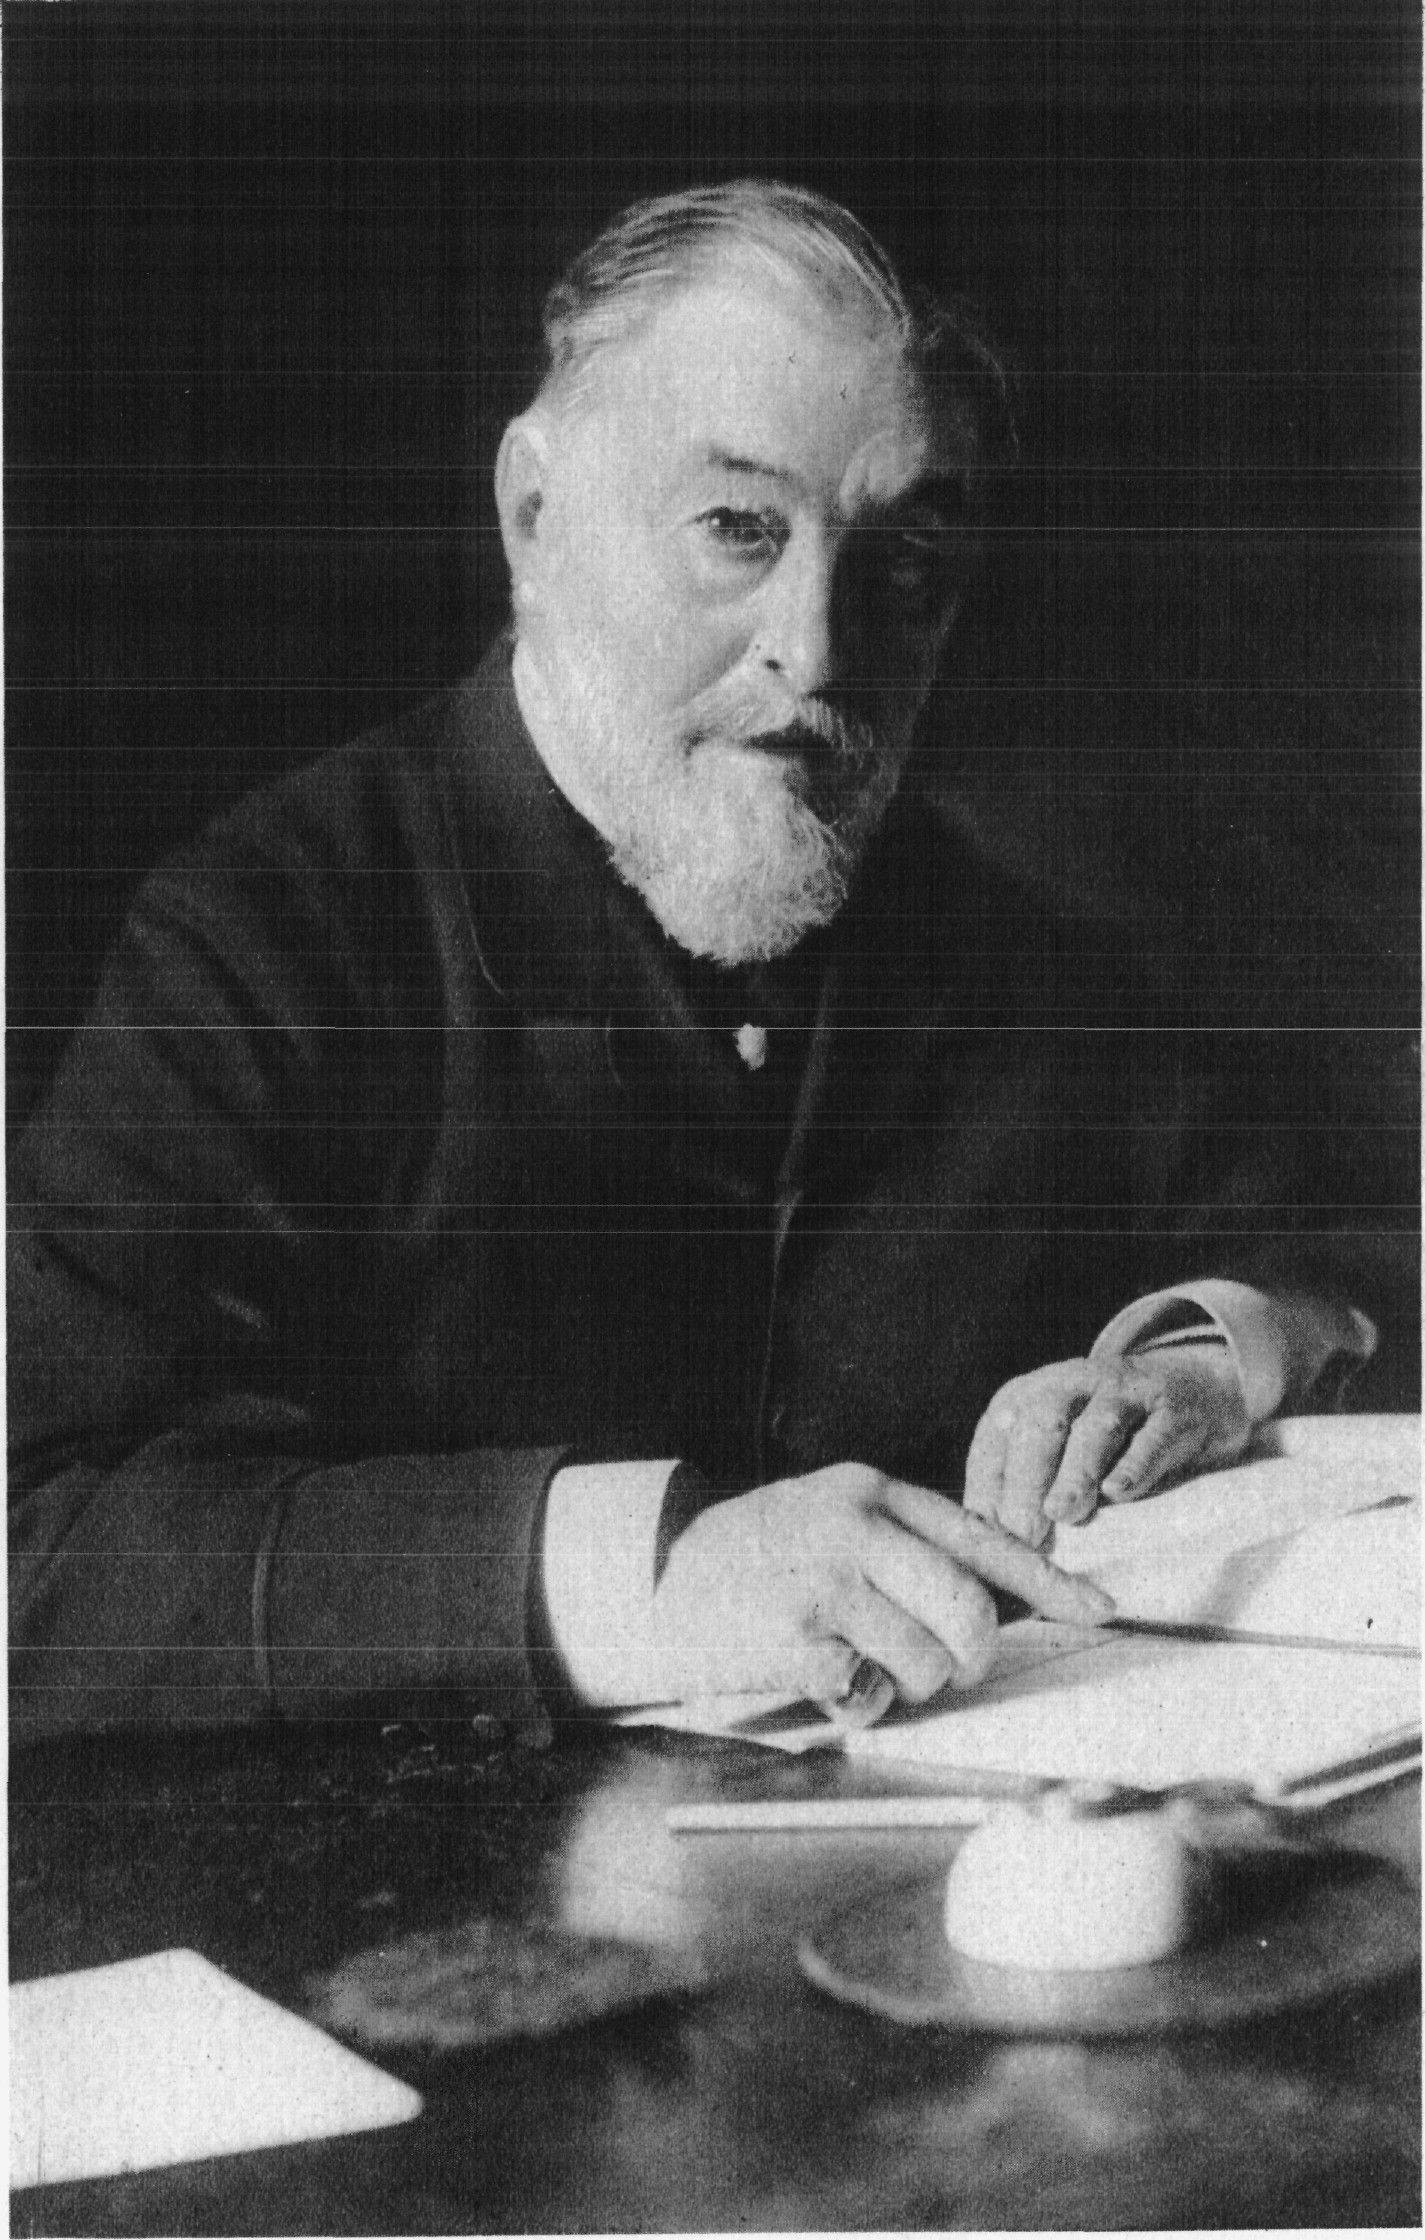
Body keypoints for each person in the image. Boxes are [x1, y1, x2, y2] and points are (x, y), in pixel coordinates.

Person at [10, 180, 1384, 1741]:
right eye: (737, 529)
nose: (818, 648)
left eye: (902, 567)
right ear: (534, 517)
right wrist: (635, 1576)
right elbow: (30, 1541)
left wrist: (1201, 1354)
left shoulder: (1010, 943)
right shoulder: (264, 940)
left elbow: (1346, 1242)